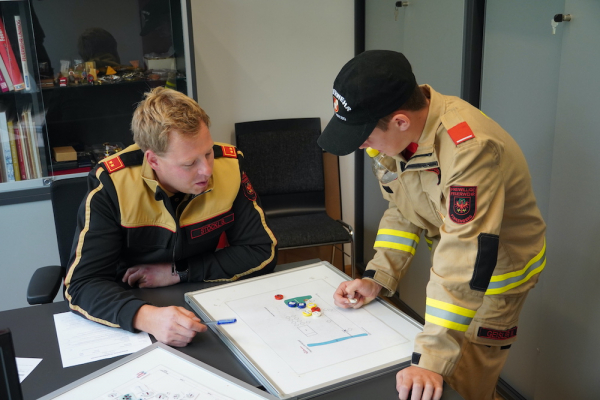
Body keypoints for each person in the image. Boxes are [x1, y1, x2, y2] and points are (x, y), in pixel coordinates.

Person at [317, 50, 546, 400]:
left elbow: (466, 254)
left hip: (495, 276)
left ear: (400, 121)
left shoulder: (469, 150)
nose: (361, 145)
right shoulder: (396, 139)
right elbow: (402, 208)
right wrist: (379, 275)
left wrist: (432, 358)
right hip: (456, 269)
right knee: (438, 371)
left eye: (364, 136)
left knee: (460, 385)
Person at [64, 87, 278, 347]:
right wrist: (146, 317)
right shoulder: (114, 184)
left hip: (200, 295)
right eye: (189, 164)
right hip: (130, 305)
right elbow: (82, 284)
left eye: (208, 152)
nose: (207, 170)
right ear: (153, 160)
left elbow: (261, 251)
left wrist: (178, 272)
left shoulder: (230, 166)